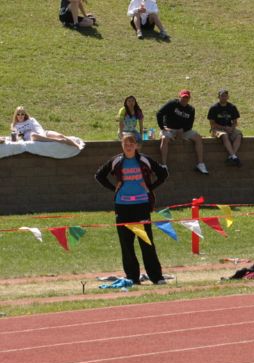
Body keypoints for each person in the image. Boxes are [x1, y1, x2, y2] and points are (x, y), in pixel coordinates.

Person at [94, 133, 168, 285]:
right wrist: (114, 188)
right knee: (126, 245)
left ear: (136, 146)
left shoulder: (144, 160)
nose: (128, 146)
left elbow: (163, 173)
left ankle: (156, 277)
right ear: (122, 145)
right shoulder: (116, 161)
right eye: (126, 144)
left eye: (131, 144)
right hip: (123, 207)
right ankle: (132, 278)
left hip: (142, 206)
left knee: (146, 242)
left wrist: (150, 187)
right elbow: (99, 175)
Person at [156, 89, 208, 174]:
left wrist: (182, 130)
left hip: (183, 131)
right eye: (183, 98)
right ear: (179, 97)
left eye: (187, 98)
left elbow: (190, 125)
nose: (185, 100)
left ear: (189, 99)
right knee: (164, 138)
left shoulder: (191, 109)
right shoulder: (172, 104)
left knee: (198, 138)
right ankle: (164, 166)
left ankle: (200, 164)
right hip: (169, 129)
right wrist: (162, 127)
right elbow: (159, 113)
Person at [10, 106, 80, 148]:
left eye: (22, 114)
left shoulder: (31, 120)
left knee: (60, 135)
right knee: (33, 134)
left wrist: (42, 134)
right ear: (16, 115)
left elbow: (38, 128)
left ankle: (77, 145)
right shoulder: (15, 125)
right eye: (18, 114)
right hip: (33, 138)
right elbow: (19, 137)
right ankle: (58, 141)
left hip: (42, 134)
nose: (20, 116)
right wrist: (20, 138)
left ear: (25, 114)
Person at [207, 89, 243, 166]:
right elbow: (212, 123)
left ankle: (232, 156)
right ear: (218, 97)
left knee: (239, 135)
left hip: (229, 128)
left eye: (225, 96)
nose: (224, 97)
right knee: (224, 135)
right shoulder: (214, 108)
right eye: (222, 96)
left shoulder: (232, 107)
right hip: (216, 129)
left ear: (228, 97)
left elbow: (235, 122)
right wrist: (224, 128)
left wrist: (232, 128)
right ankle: (234, 156)